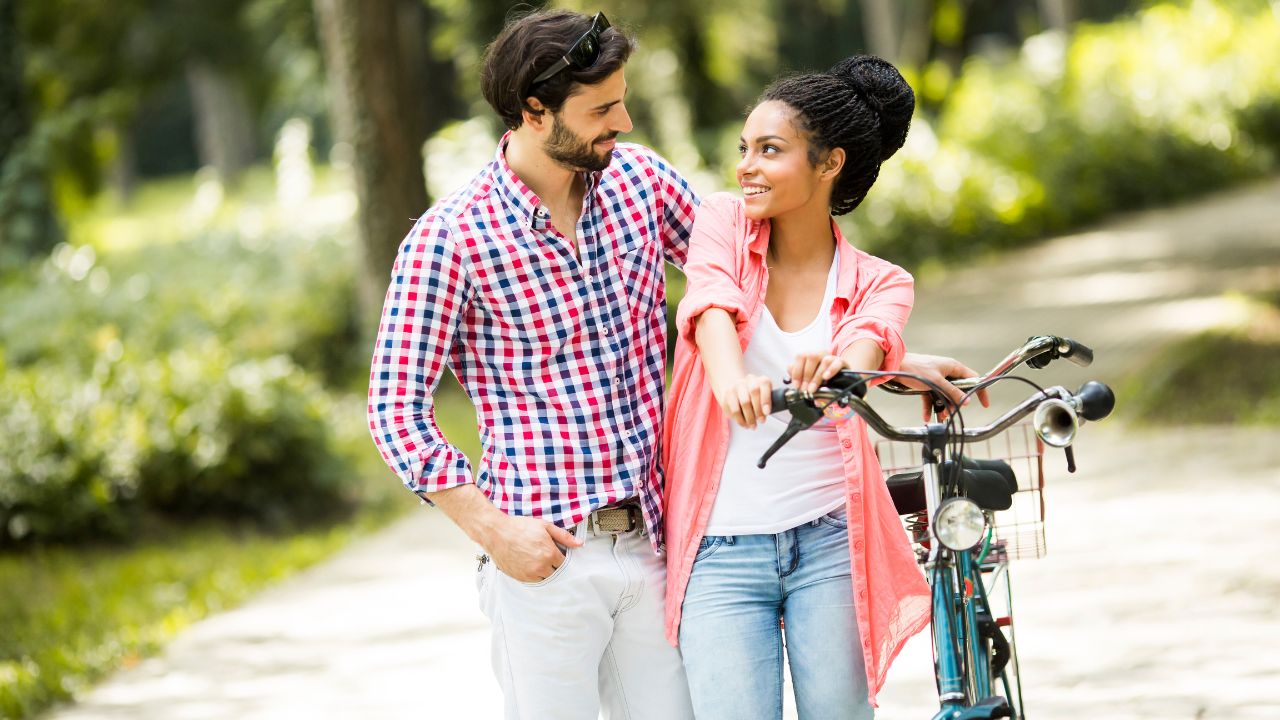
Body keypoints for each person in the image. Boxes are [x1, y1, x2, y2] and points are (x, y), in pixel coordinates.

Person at [368, 9, 985, 720]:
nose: (624, 121)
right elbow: (394, 411)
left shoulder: (640, 184)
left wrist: (884, 359)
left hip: (658, 547)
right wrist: (494, 530)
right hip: (543, 555)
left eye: (622, 100)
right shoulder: (450, 238)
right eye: (603, 108)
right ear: (535, 112)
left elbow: (752, 280)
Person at [663, 56, 934, 719]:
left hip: (831, 546)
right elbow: (711, 303)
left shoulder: (882, 279)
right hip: (720, 550)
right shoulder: (725, 219)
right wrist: (731, 382)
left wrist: (838, 369)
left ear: (828, 164)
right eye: (744, 149)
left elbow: (863, 348)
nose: (745, 166)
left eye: (770, 150)